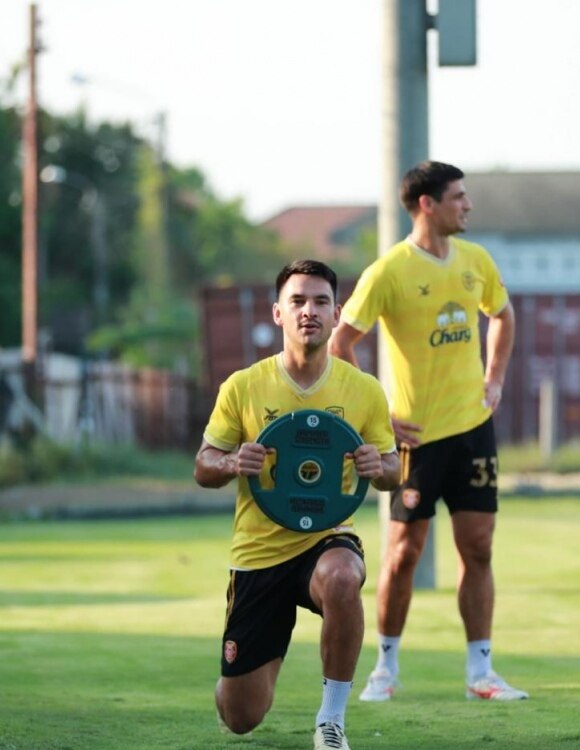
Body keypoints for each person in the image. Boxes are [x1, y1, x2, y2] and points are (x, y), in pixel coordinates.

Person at [329, 160, 524, 702]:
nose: (468, 206)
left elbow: (504, 315)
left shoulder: (476, 261)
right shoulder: (389, 271)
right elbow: (340, 343)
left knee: (478, 549)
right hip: (415, 439)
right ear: (427, 205)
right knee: (402, 553)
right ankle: (384, 669)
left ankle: (480, 672)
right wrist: (378, 416)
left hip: (473, 430)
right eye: (458, 197)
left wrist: (495, 379)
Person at [195, 260, 400, 750]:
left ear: (337, 314)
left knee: (343, 576)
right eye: (298, 301)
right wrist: (231, 463)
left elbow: (395, 471)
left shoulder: (364, 390)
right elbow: (203, 465)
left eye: (321, 302)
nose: (310, 311)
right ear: (278, 314)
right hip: (259, 554)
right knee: (241, 716)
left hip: (326, 538)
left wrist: (380, 466)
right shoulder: (243, 386)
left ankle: (331, 721)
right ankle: (237, 675)